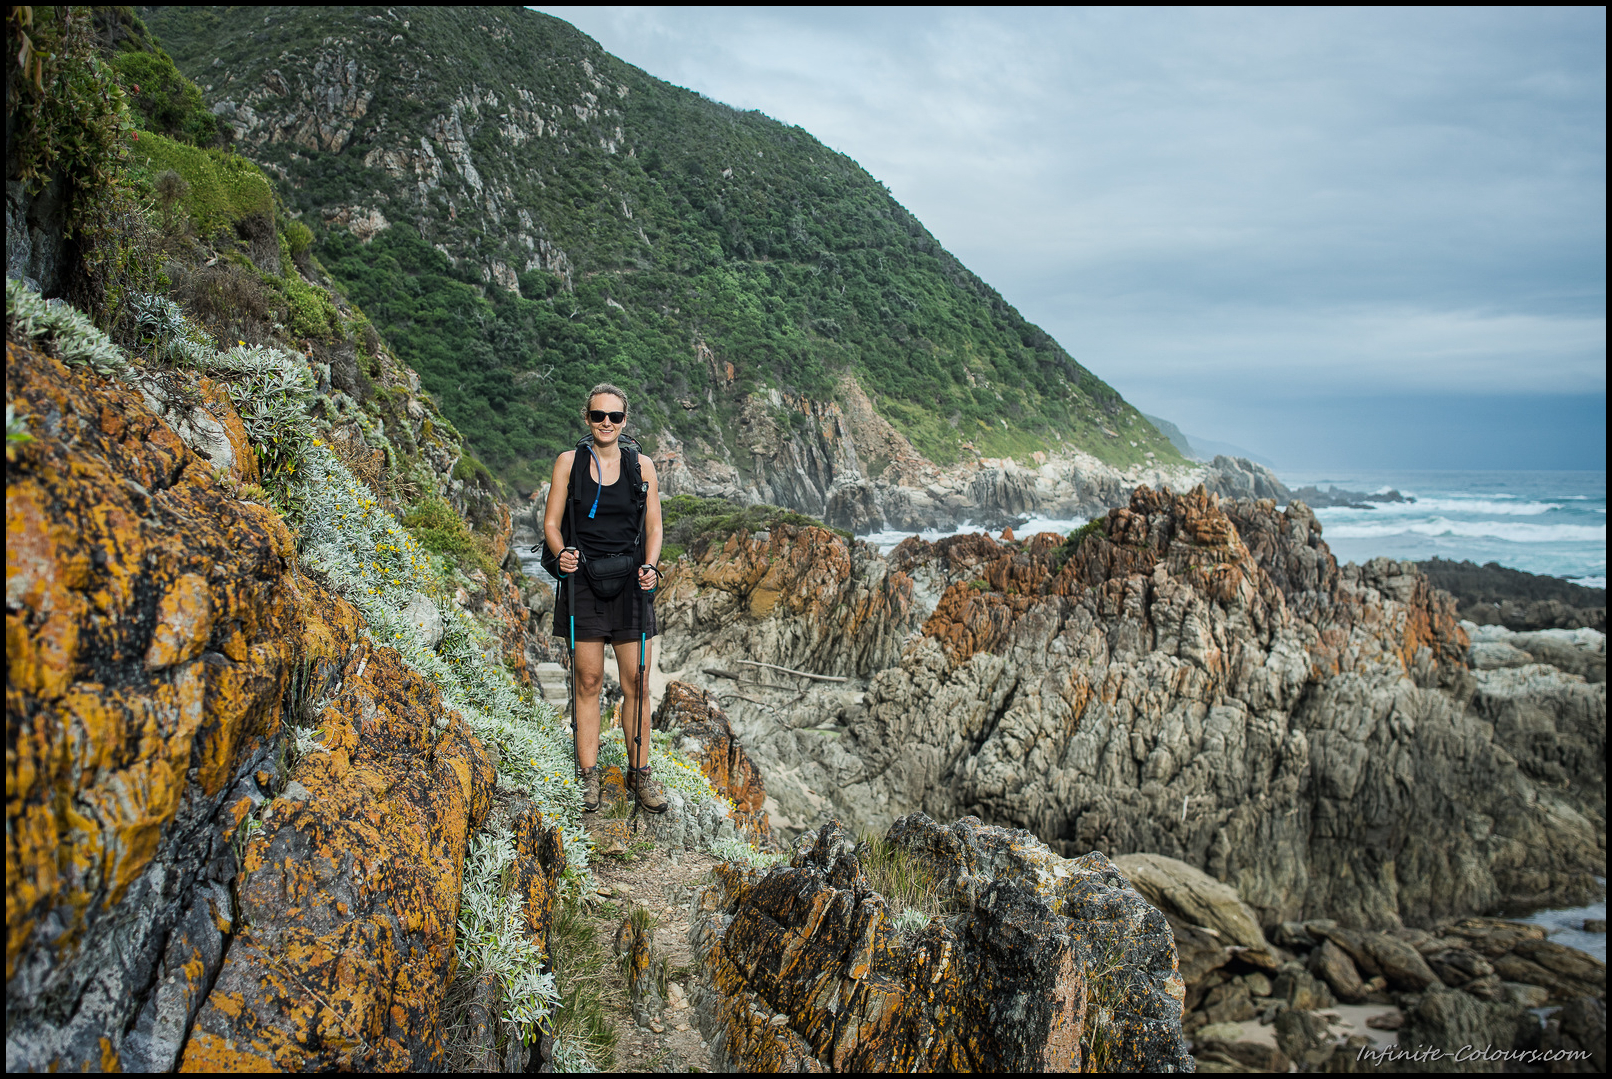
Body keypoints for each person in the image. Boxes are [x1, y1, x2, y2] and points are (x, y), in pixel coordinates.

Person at [543, 383, 668, 815]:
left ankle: (641, 774)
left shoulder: (642, 466)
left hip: (633, 582)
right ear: (587, 418)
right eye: (599, 416)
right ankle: (589, 775)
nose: (607, 424)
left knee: (638, 683)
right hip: (583, 582)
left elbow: (654, 527)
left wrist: (651, 564)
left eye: (615, 417)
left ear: (625, 421)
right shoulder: (568, 463)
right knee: (589, 682)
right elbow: (552, 524)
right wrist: (562, 555)